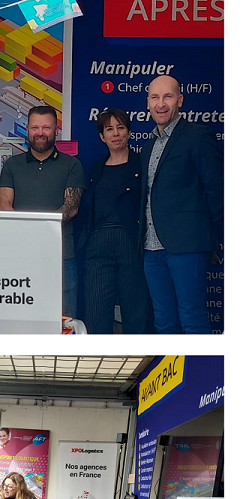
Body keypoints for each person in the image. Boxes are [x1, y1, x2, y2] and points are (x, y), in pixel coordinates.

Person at [141, 75, 224, 334]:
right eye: (155, 97)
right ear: (148, 103)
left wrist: (221, 239)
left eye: (167, 96)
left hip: (186, 247)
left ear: (180, 100)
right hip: (151, 248)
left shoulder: (198, 136)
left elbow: (217, 190)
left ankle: (201, 373)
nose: (161, 104)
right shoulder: (148, 146)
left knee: (192, 317)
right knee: (164, 322)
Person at [0, 106, 85, 319]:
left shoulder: (71, 165)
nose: (40, 132)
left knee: (65, 320)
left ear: (56, 130)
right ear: (27, 129)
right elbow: (4, 205)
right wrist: (34, 232)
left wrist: (37, 229)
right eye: (35, 127)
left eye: (46, 127)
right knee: (22, 317)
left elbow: (71, 207)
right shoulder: (12, 165)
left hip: (61, 256)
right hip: (21, 255)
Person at [77, 108, 153, 334]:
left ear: (129, 132)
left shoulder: (142, 165)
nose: (116, 133)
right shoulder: (96, 169)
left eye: (120, 128)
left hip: (131, 242)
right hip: (98, 244)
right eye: (109, 129)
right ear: (102, 136)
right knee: (97, 314)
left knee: (136, 313)